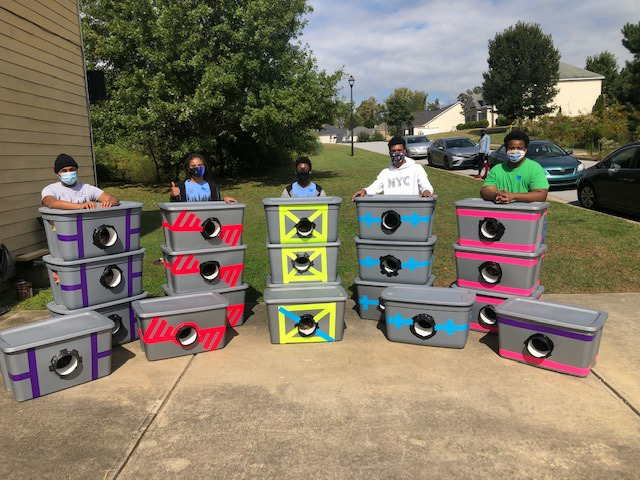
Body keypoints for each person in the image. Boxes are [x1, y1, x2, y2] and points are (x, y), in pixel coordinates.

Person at [352, 136, 434, 200]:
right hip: (392, 213)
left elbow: (426, 185)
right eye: (394, 151)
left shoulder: (416, 169)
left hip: (411, 211)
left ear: (405, 151)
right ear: (389, 153)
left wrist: (426, 191)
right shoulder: (385, 173)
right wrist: (364, 190)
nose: (397, 153)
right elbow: (375, 187)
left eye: (399, 150)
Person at [480, 131, 549, 204]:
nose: (515, 151)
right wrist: (496, 195)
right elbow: (485, 190)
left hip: (525, 213)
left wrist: (513, 196)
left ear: (525, 150)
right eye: (512, 148)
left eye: (519, 148)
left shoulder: (534, 168)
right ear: (506, 150)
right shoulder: (497, 169)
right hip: (501, 213)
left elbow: (541, 195)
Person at [41, 153, 119, 209]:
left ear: (77, 171)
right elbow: (51, 203)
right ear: (58, 174)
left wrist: (109, 202)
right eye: (64, 171)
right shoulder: (51, 189)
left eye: (72, 170)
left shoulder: (86, 188)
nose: (69, 173)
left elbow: (113, 198)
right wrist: (81, 206)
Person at [170, 153, 237, 203]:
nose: (197, 168)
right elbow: (174, 210)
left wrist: (224, 201)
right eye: (193, 166)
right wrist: (173, 196)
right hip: (189, 220)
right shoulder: (181, 187)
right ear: (188, 168)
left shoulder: (213, 187)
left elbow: (216, 207)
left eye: (200, 165)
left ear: (204, 166)